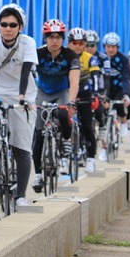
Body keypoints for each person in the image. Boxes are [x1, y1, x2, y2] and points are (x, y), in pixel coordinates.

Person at [0, 4, 38, 208]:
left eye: (13, 24)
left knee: (22, 146)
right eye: (3, 24)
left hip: (23, 95)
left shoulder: (28, 43)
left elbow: (26, 71)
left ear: (20, 27)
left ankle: (20, 195)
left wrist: (22, 97)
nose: (8, 28)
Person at [32, 19, 80, 192]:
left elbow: (74, 81)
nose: (54, 40)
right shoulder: (37, 53)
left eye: (58, 37)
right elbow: (28, 75)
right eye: (50, 37)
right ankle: (38, 175)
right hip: (42, 92)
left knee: (62, 114)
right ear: (45, 38)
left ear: (63, 38)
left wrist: (71, 102)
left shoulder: (70, 55)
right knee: (38, 133)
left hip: (61, 92)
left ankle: (66, 141)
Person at [66, 28, 101, 173]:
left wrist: (96, 94)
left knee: (87, 125)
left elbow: (95, 77)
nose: (78, 46)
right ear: (69, 43)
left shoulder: (90, 58)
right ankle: (63, 155)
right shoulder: (64, 56)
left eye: (81, 43)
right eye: (75, 43)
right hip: (67, 91)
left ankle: (91, 159)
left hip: (85, 91)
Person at [85, 30, 111, 161]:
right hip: (83, 89)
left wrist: (104, 95)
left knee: (101, 112)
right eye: (87, 45)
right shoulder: (77, 56)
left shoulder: (103, 58)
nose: (89, 48)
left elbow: (106, 78)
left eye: (92, 45)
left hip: (98, 88)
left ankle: (104, 146)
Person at [101, 32, 130, 140]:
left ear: (117, 47)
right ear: (104, 46)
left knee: (119, 104)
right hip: (105, 88)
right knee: (102, 109)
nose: (110, 49)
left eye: (113, 47)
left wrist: (126, 94)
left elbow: (126, 78)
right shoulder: (100, 58)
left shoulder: (123, 59)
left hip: (119, 87)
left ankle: (123, 121)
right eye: (108, 46)